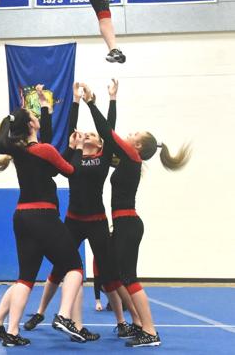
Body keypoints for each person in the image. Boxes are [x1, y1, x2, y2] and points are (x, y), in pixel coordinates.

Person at [23, 81, 140, 340]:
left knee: (109, 274)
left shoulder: (103, 156)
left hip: (97, 221)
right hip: (73, 220)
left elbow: (107, 129)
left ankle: (122, 321)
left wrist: (111, 99)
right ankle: (41, 311)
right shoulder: (73, 155)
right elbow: (71, 129)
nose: (87, 135)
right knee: (59, 268)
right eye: (84, 134)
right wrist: (75, 101)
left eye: (92, 136)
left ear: (100, 145)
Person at [0, 92, 86, 347]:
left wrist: (45, 109)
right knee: (74, 267)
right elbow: (70, 171)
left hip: (21, 216)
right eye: (34, 115)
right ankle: (64, 316)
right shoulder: (43, 150)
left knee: (25, 278)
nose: (37, 117)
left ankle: (7, 329)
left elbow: (50, 155)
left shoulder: (21, 150)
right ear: (31, 125)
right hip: (43, 215)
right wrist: (76, 148)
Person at [81, 84, 191, 347]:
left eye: (134, 134)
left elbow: (107, 133)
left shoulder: (132, 156)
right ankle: (140, 325)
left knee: (129, 277)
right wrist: (110, 99)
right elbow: (107, 137)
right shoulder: (128, 159)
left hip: (128, 223)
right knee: (118, 275)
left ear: (138, 145)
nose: (129, 135)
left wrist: (94, 102)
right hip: (123, 223)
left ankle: (150, 331)